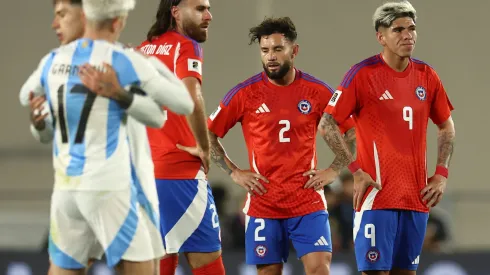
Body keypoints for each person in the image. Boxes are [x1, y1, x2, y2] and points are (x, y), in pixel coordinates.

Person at [19, 0, 195, 273]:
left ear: (85, 15)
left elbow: (30, 104)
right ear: (117, 21)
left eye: (62, 15)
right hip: (115, 188)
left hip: (68, 189)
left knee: (66, 268)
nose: (56, 24)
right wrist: (144, 71)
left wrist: (39, 123)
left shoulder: (53, 61)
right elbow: (180, 106)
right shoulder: (123, 61)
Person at [204, 17, 355, 275]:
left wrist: (334, 170)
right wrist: (234, 172)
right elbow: (207, 133)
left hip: (307, 201)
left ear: (293, 51)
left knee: (320, 269)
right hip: (264, 203)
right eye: (265, 51)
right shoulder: (245, 94)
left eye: (277, 49)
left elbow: (351, 131)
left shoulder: (316, 91)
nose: (270, 57)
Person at [316, 1, 455, 274]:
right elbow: (327, 124)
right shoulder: (363, 74)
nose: (408, 35)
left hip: (416, 200)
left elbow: (446, 126)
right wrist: (354, 170)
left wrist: (440, 174)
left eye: (412, 28)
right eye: (398, 29)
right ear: (381, 37)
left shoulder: (427, 76)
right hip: (377, 198)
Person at [139, 1, 225, 274]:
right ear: (175, 11)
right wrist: (203, 145)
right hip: (179, 171)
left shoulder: (144, 48)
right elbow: (192, 97)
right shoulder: (185, 45)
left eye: (208, 8)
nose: (208, 16)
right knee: (209, 264)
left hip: (147, 172)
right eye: (200, 8)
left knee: (162, 258)